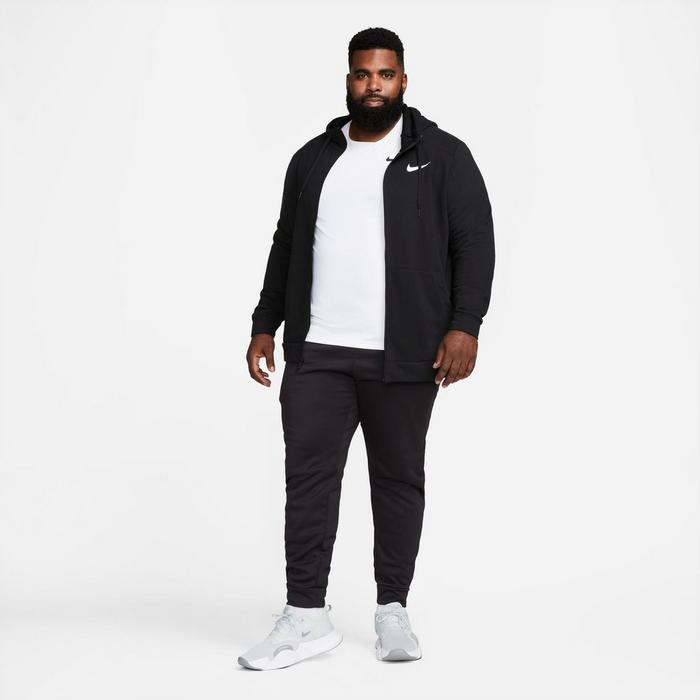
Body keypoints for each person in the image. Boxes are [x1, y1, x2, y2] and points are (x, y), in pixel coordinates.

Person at [239, 26, 495, 670]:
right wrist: (266, 323)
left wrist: (465, 326)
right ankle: (306, 615)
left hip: (404, 353)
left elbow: (474, 243)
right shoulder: (312, 159)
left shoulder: (443, 155)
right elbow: (286, 244)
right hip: (319, 350)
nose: (373, 85)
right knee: (308, 482)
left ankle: (392, 609)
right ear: (348, 80)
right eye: (362, 74)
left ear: (404, 80)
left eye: (385, 74)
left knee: (398, 480)